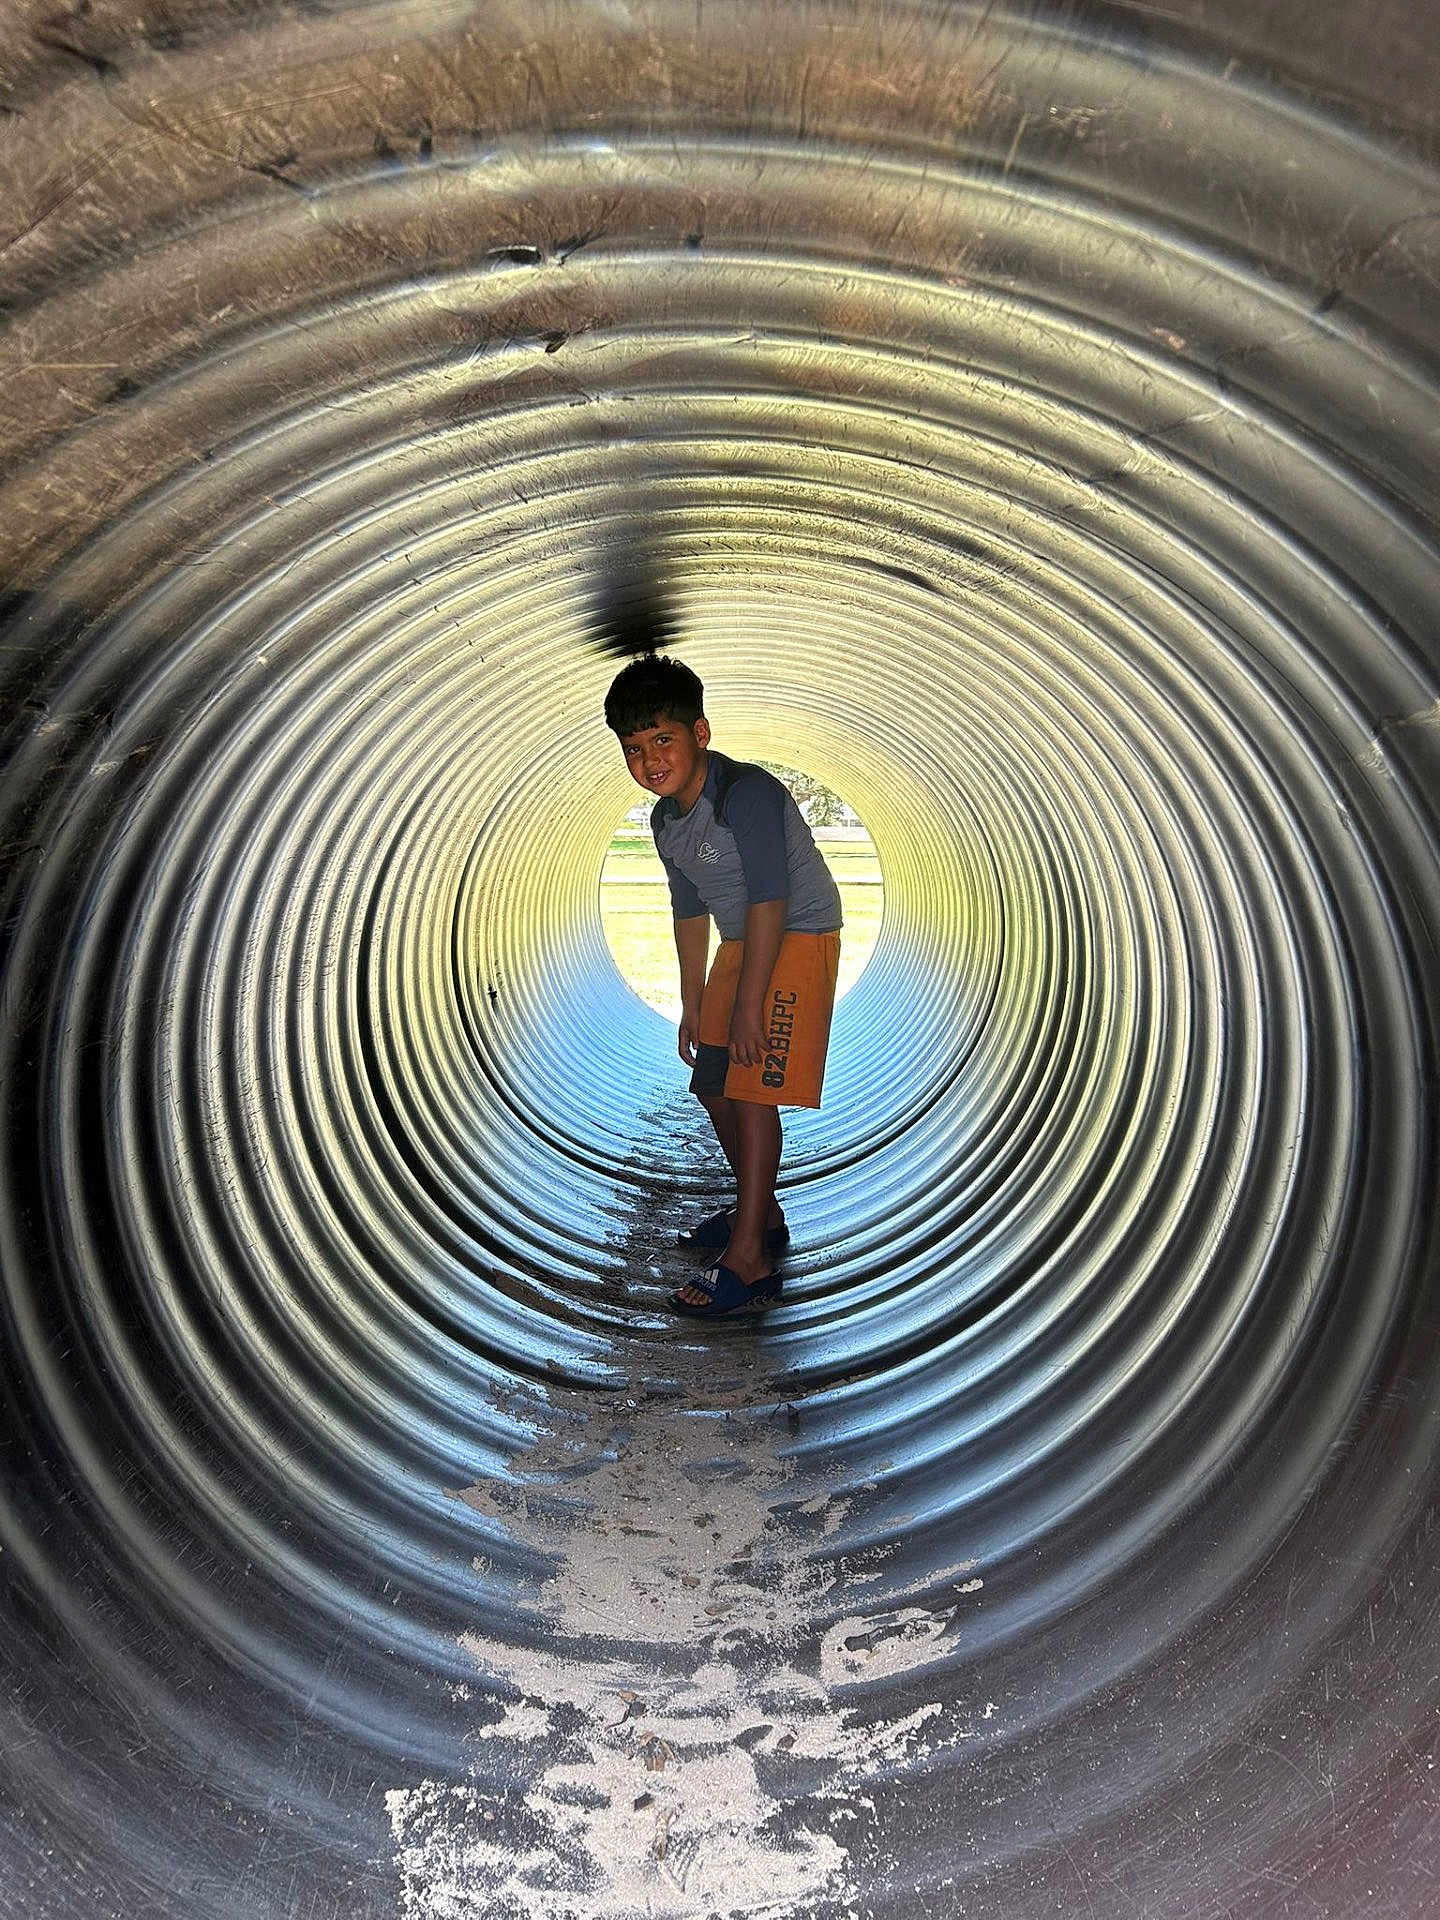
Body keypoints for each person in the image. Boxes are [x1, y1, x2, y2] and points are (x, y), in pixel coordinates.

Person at [604, 652, 842, 1318]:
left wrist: (747, 1008)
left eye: (662, 740)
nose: (650, 761)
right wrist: (692, 1003)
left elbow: (771, 897)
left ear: (699, 734)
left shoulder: (747, 795)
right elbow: (688, 913)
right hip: (744, 943)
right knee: (713, 1084)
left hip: (794, 932)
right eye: (634, 748)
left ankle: (750, 1259)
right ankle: (758, 1213)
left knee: (751, 1084)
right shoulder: (666, 823)